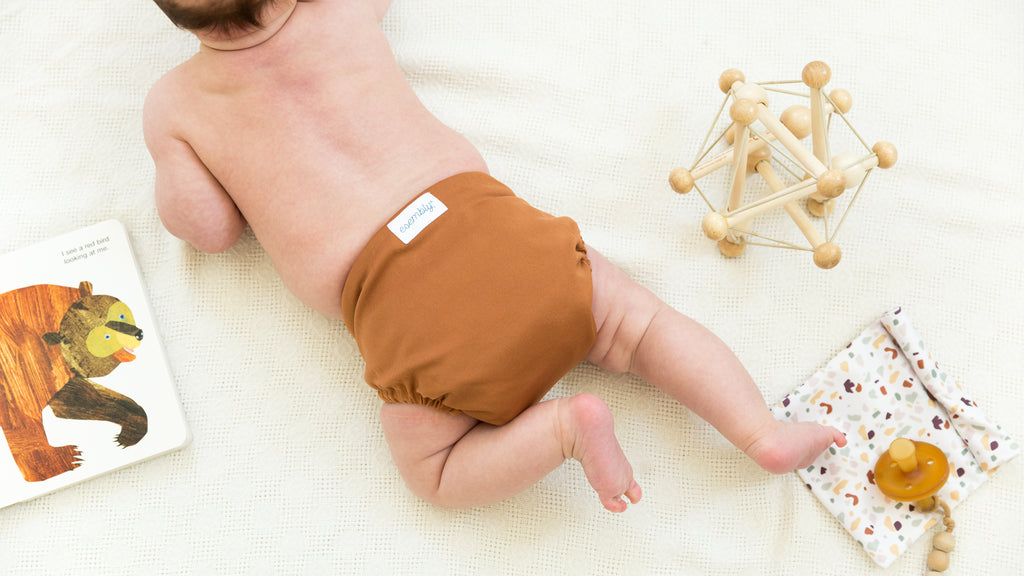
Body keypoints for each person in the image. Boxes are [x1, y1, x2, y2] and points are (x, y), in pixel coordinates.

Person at [143, 0, 847, 513]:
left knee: (436, 474)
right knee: (642, 327)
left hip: (400, 311)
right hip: (502, 238)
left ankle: (565, 430)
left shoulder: (176, 103)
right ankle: (759, 431)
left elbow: (205, 230)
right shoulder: (336, 13)